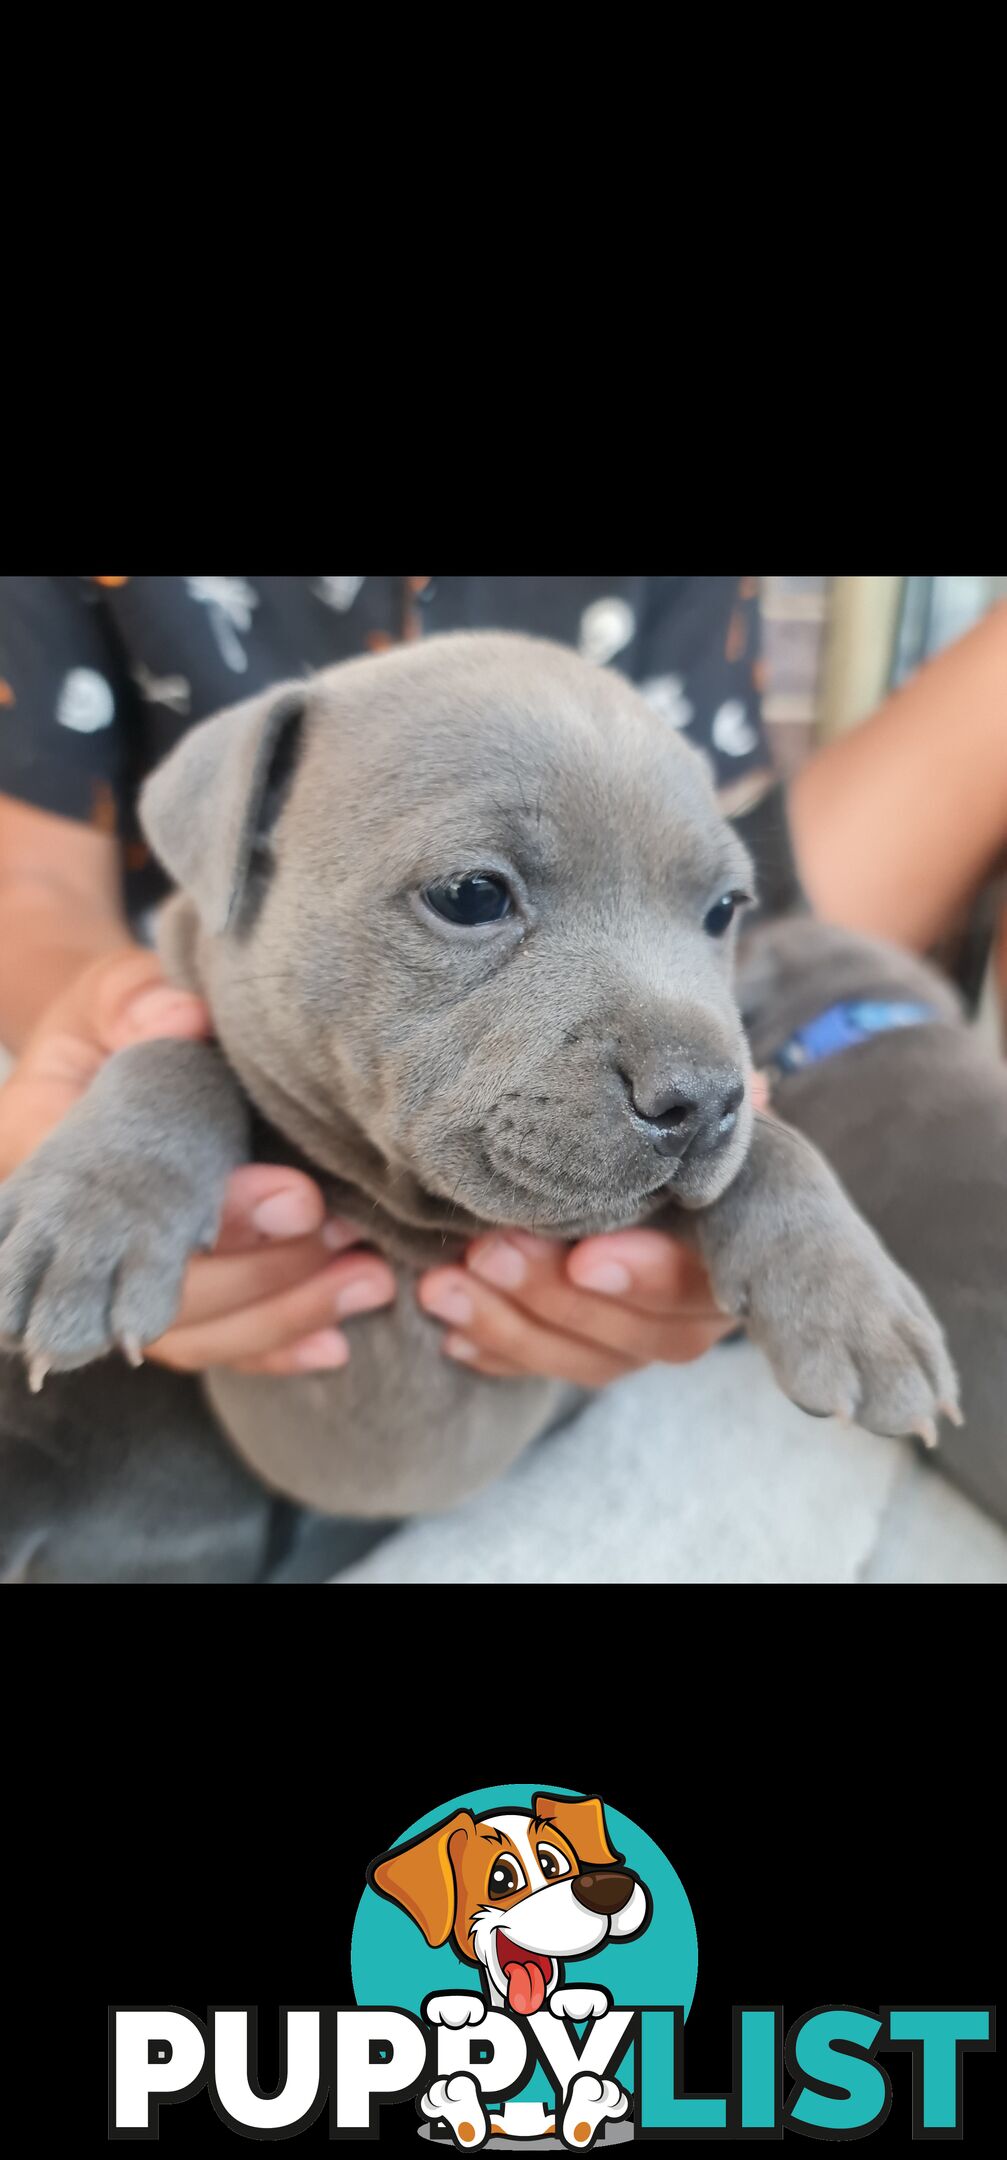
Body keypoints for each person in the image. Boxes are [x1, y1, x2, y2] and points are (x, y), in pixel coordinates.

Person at [0, 579, 1003, 1534]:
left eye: (711, 910)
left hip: (797, 985)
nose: (682, 1080)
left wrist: (776, 1190)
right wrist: (121, 1078)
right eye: (473, 896)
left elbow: (741, 870)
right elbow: (35, 890)